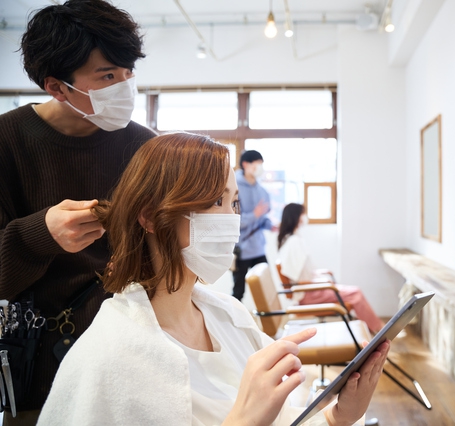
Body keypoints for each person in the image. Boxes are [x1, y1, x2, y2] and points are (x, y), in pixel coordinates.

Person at [37, 133, 390, 426]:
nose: (230, 218)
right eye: (214, 201)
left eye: (233, 203)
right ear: (150, 216)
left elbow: (287, 419)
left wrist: (337, 417)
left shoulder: (229, 318)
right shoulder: (108, 357)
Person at [0, 0, 155, 422]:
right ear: (56, 87)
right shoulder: (7, 142)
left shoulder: (145, 147)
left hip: (133, 354)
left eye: (128, 73)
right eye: (107, 76)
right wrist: (39, 235)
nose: (124, 86)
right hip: (41, 364)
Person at [278, 203, 385, 333]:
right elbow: (296, 281)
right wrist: (321, 282)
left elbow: (302, 273)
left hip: (311, 290)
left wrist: (319, 275)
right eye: (303, 214)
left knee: (352, 292)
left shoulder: (292, 240)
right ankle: (379, 329)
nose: (305, 217)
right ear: (296, 217)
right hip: (310, 294)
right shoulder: (293, 243)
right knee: (355, 293)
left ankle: (373, 328)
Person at [232, 150, 274, 301]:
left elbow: (263, 219)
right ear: (245, 164)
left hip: (258, 248)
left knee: (267, 288)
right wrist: (254, 215)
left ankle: (269, 321)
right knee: (238, 291)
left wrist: (271, 226)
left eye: (261, 164)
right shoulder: (234, 187)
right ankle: (234, 323)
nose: (260, 168)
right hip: (242, 249)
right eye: (257, 164)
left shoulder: (261, 190)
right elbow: (234, 221)